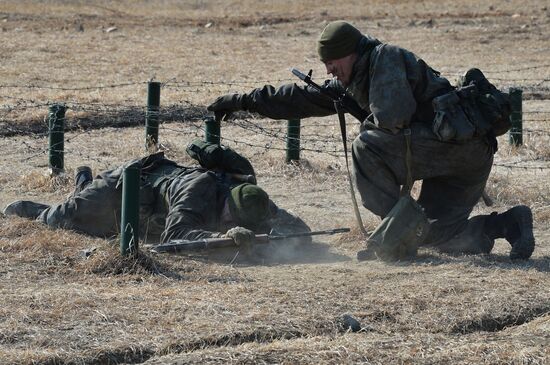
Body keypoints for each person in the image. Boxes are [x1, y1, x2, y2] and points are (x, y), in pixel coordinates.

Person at [206, 20, 535, 260]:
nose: (330, 70)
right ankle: (510, 224)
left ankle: (394, 235)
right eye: (325, 64)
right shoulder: (355, 80)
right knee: (435, 237)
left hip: (459, 149)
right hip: (454, 154)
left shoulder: (385, 59)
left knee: (367, 145)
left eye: (333, 62)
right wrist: (238, 101)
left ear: (351, 53)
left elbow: (393, 119)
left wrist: (364, 117)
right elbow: (295, 98)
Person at [3, 142, 311, 248]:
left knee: (97, 227)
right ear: (227, 206)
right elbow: (175, 234)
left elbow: (299, 229)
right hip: (125, 185)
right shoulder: (198, 190)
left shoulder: (252, 197)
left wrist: (276, 235)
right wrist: (229, 239)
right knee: (63, 219)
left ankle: (82, 181)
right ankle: (27, 209)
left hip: (149, 212)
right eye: (229, 219)